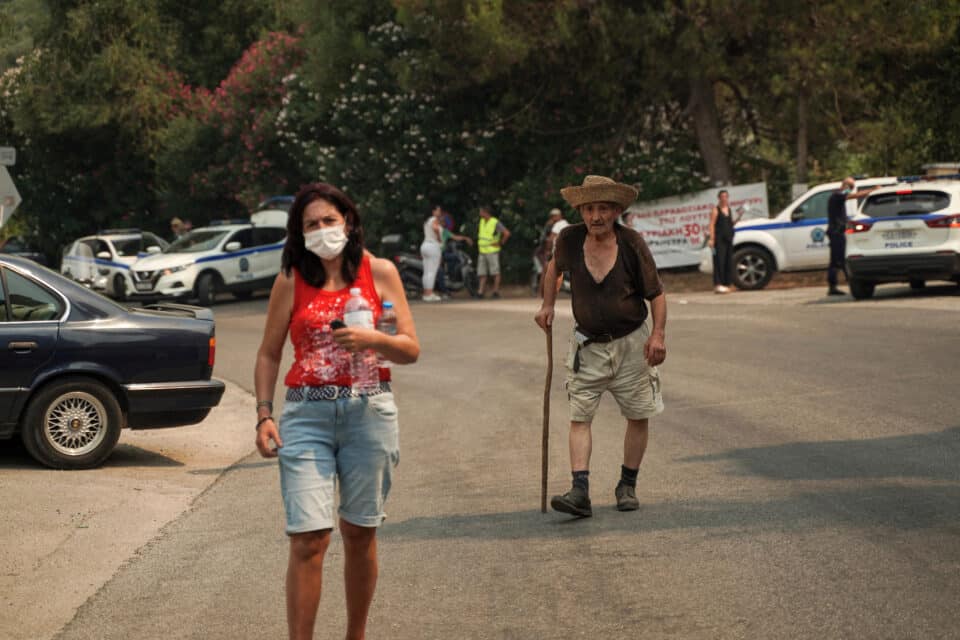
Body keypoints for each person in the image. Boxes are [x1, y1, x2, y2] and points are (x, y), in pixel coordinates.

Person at [253, 182, 420, 640]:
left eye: (329, 220)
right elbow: (269, 354)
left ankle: (356, 635)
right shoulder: (290, 279)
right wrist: (264, 414)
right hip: (306, 415)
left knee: (360, 533)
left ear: (348, 221)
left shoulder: (379, 272)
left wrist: (373, 339)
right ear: (299, 233)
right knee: (309, 538)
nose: (322, 230)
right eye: (311, 224)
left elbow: (410, 349)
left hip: (370, 411)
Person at [535, 175, 667, 517]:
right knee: (579, 415)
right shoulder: (569, 238)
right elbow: (553, 271)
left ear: (616, 211)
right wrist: (547, 305)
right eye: (590, 208)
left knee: (638, 414)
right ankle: (579, 492)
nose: (596, 216)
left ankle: (627, 484)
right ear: (581, 210)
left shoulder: (632, 243)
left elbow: (657, 294)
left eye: (604, 209)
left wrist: (658, 335)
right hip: (587, 345)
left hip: (632, 344)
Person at [826, 176, 878, 295]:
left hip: (838, 232)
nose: (851, 190)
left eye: (852, 187)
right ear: (844, 185)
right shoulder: (837, 195)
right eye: (850, 187)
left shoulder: (838, 195)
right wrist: (872, 190)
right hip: (836, 233)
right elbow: (854, 196)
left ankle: (849, 283)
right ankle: (835, 286)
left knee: (841, 260)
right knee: (837, 261)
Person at [707, 189, 742, 294]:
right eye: (722, 196)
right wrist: (712, 239)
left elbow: (730, 224)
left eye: (726, 196)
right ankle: (718, 285)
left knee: (728, 262)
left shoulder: (729, 210)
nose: (724, 199)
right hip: (719, 240)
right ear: (719, 198)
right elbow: (712, 225)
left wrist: (738, 218)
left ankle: (727, 284)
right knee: (719, 262)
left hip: (728, 239)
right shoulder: (716, 210)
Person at [476, 205, 510, 298]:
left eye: (481, 211)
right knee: (482, 272)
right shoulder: (482, 221)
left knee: (495, 272)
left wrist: (500, 243)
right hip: (482, 250)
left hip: (492, 251)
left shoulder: (495, 222)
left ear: (485, 212)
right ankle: (480, 292)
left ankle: (495, 291)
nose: (479, 213)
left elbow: (506, 233)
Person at [420, 205, 445, 301]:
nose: (439, 212)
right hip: (433, 246)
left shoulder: (427, 221)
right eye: (438, 210)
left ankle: (426, 293)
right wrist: (439, 238)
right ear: (433, 211)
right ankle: (429, 294)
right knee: (432, 271)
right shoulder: (434, 219)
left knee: (426, 271)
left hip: (425, 245)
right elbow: (436, 228)